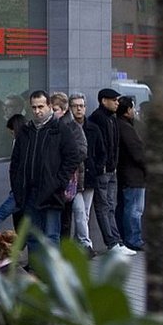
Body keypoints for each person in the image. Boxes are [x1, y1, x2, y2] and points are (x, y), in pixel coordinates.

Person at [8, 90, 80, 263]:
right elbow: (16, 161)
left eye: (41, 106)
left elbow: (73, 157)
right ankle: (35, 269)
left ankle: (51, 272)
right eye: (34, 107)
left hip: (51, 191)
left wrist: (58, 182)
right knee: (32, 234)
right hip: (29, 192)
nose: (37, 111)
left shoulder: (60, 129)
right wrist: (17, 185)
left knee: (51, 234)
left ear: (49, 106)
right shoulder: (26, 131)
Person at [88, 88, 135, 255]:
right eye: (113, 100)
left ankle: (117, 241)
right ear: (103, 101)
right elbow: (99, 147)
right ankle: (112, 243)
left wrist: (113, 165)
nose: (117, 103)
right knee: (103, 206)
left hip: (112, 169)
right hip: (103, 171)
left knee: (110, 206)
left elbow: (115, 145)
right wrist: (102, 166)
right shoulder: (97, 119)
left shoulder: (112, 119)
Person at [69, 94, 104, 256]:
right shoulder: (68, 128)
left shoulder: (93, 128)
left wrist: (97, 168)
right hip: (74, 178)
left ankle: (78, 246)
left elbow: (101, 152)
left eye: (81, 105)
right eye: (75, 105)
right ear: (70, 108)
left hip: (89, 176)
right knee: (79, 212)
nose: (79, 108)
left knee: (85, 214)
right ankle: (85, 245)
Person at [49, 92, 87, 241]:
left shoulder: (72, 128)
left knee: (73, 215)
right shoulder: (49, 126)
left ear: (64, 110)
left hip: (68, 181)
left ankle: (78, 246)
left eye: (55, 109)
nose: (52, 113)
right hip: (54, 181)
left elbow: (81, 152)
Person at [115, 97, 146, 252]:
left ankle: (129, 237)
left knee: (128, 208)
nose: (134, 111)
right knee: (134, 209)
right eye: (133, 108)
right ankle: (134, 239)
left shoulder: (122, 125)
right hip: (133, 175)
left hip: (128, 174)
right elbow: (137, 152)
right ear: (127, 110)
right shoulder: (126, 127)